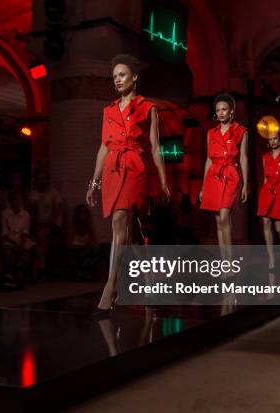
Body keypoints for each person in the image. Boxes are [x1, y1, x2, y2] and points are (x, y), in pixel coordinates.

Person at [86, 53, 170, 310]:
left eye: (122, 75)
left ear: (135, 77)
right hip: (113, 169)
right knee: (131, 233)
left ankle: (110, 287)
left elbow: (156, 148)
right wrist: (94, 182)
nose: (117, 80)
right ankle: (150, 282)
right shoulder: (108, 110)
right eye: (114, 77)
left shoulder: (148, 107)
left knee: (119, 219)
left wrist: (164, 182)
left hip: (135, 167)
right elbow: (103, 147)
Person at [199, 93, 249, 261]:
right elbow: (208, 159)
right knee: (218, 220)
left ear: (231, 111)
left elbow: (243, 158)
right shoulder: (210, 133)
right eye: (218, 110)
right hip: (213, 177)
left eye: (224, 109)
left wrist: (245, 184)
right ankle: (224, 260)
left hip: (231, 175)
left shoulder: (241, 132)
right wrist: (203, 187)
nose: (221, 113)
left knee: (225, 215)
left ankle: (229, 261)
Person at [257, 128, 280, 269]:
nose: (272, 142)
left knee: (279, 228)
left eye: (275, 139)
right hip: (267, 191)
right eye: (270, 139)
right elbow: (266, 178)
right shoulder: (265, 158)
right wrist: (263, 193)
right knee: (266, 224)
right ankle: (271, 259)